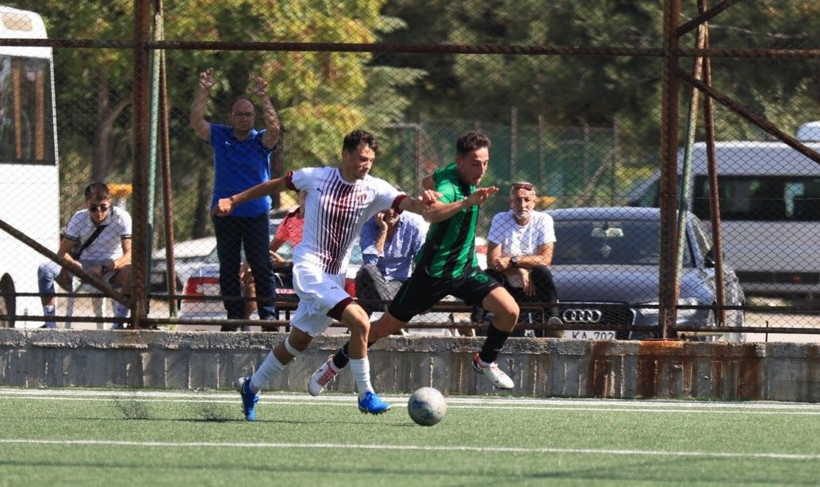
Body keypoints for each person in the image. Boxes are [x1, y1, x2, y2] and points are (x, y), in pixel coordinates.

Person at [213, 129, 437, 420]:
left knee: (298, 342)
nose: (366, 165)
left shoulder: (375, 188)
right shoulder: (315, 177)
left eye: (370, 160)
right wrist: (234, 199)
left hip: (333, 277)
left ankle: (250, 387)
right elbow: (274, 185)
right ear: (345, 154)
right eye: (360, 158)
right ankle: (365, 394)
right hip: (308, 269)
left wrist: (428, 201)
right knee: (359, 320)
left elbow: (411, 204)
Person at [308, 130, 521, 397]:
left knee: (510, 311)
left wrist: (426, 190)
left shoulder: (445, 173)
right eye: (476, 163)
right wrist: (465, 201)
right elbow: (430, 214)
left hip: (465, 270)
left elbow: (426, 180)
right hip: (431, 275)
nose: (481, 170)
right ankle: (335, 364)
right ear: (460, 162)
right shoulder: (451, 186)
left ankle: (485, 360)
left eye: (486, 163)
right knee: (383, 328)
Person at [190, 68, 280, 331]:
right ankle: (235, 317)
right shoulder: (220, 135)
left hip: (255, 213)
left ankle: (268, 317)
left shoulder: (260, 140)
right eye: (239, 114)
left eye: (248, 115)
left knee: (261, 265)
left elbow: (275, 129)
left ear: (254, 117)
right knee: (228, 268)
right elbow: (196, 121)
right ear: (231, 117)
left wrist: (264, 98)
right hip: (225, 213)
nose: (244, 119)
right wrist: (204, 90)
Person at [37, 182, 132, 328]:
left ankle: (119, 322)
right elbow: (62, 252)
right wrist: (72, 264)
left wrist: (105, 268)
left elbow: (130, 254)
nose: (98, 212)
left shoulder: (121, 217)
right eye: (93, 208)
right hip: (82, 265)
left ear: (109, 202)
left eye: (103, 207)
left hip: (111, 266)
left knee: (133, 271)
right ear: (87, 203)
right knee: (45, 270)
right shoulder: (79, 218)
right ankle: (50, 323)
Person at [485, 181, 563, 337]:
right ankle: (477, 322)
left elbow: (545, 259)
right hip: (507, 283)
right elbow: (493, 260)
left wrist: (513, 260)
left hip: (533, 285)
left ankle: (552, 321)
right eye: (517, 200)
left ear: (534, 202)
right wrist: (520, 269)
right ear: (511, 202)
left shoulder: (543, 220)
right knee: (489, 274)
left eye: (527, 200)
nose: (522, 204)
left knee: (542, 271)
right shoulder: (500, 219)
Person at [240, 190, 306, 323]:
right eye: (303, 193)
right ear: (298, 195)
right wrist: (247, 264)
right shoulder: (291, 218)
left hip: (310, 275)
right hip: (291, 271)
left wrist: (285, 263)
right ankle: (242, 325)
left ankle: (268, 323)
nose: (306, 196)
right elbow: (272, 246)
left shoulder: (321, 221)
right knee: (253, 279)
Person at [355, 209, 426, 316]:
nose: (391, 212)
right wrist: (383, 230)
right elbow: (370, 261)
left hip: (397, 280)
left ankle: (366, 323)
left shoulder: (413, 225)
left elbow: (421, 258)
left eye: (396, 208)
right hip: (370, 279)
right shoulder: (369, 224)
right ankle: (392, 317)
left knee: (369, 299)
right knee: (367, 269)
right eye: (387, 207)